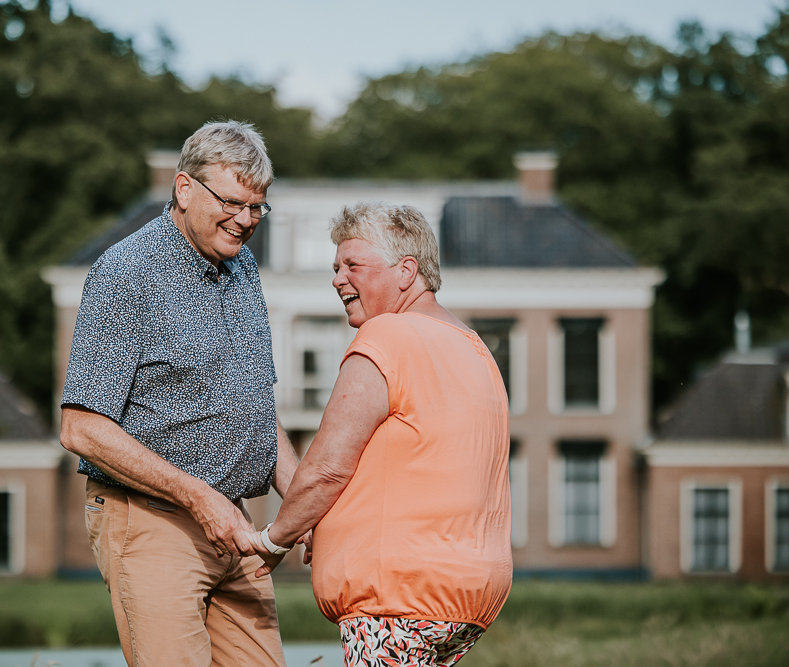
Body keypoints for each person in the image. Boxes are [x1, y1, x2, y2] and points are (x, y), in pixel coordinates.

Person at [59, 121, 298, 667]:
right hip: (150, 521)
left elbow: (257, 412)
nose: (246, 220)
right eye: (233, 202)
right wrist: (198, 496)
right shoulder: (125, 274)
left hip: (232, 528)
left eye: (258, 207)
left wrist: (304, 508)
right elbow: (81, 427)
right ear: (184, 188)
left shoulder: (244, 270)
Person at [246, 202, 513, 667]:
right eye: (335, 267)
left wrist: (273, 540)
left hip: (397, 598)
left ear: (406, 271)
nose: (337, 278)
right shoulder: (474, 347)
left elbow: (327, 468)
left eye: (352, 265)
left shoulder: (387, 335)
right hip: (471, 598)